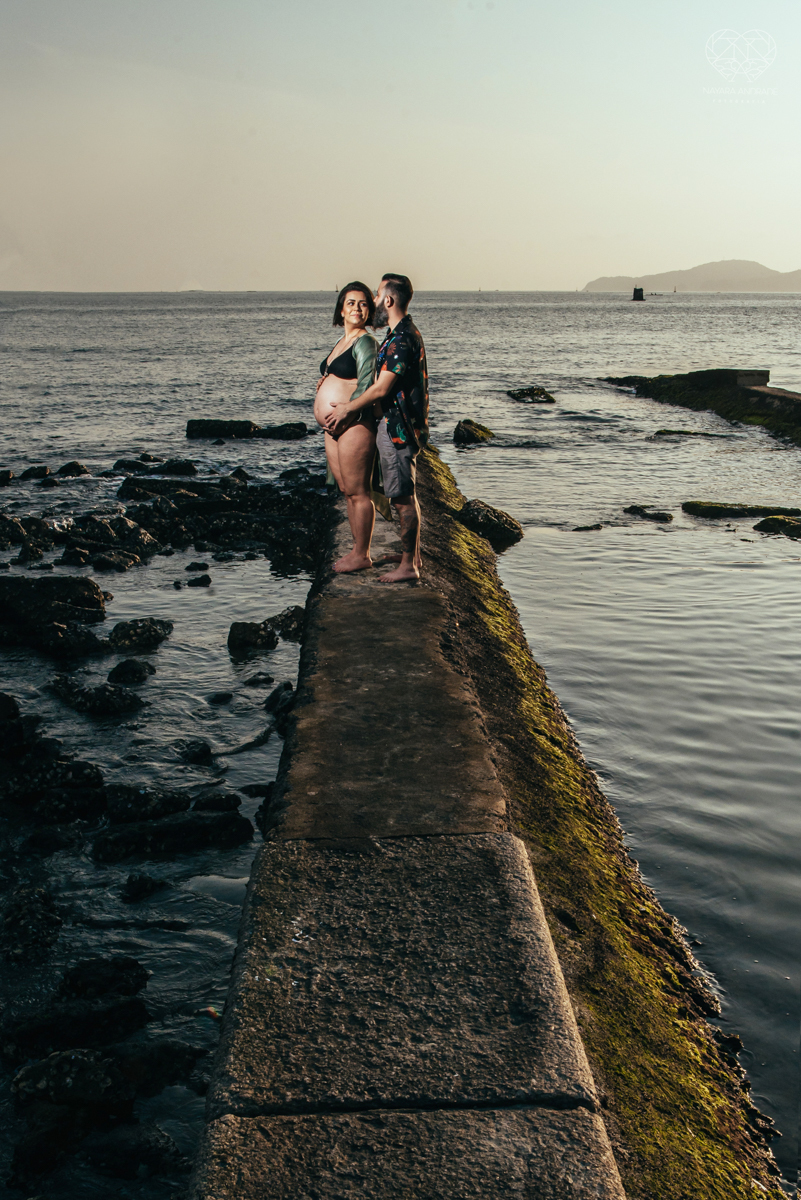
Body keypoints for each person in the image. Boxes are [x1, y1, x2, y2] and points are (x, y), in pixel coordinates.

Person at [326, 273, 428, 583]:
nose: (372, 302)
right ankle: (413, 555)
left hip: (398, 428)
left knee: (402, 498)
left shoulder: (401, 339)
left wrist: (347, 408)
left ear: (388, 299)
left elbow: (381, 388)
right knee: (401, 495)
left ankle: (409, 566)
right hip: (392, 425)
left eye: (375, 295)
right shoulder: (397, 335)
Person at [313, 282, 381, 573]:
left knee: (358, 491)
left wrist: (345, 411)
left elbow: (368, 384)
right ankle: (356, 548)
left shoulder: (365, 341)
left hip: (353, 423)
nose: (357, 308)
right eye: (351, 303)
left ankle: (362, 554)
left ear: (370, 311)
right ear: (341, 309)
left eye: (363, 303)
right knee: (346, 489)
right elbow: (341, 376)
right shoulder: (342, 341)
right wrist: (326, 383)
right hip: (334, 426)